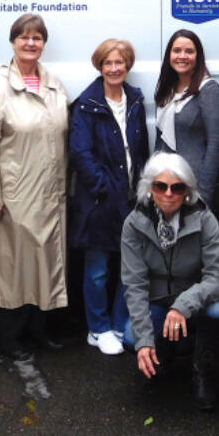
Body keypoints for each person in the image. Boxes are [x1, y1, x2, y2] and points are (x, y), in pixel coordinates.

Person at [0, 13, 70, 361]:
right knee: (10, 267)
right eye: (24, 37)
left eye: (38, 38)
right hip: (11, 194)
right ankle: (10, 337)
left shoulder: (55, 85)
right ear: (13, 42)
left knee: (44, 265)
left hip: (48, 194)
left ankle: (38, 331)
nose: (31, 43)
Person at [120, 152, 219, 410]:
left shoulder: (205, 220)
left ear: (187, 191)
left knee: (217, 309)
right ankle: (163, 351)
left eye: (177, 187)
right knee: (130, 337)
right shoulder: (134, 224)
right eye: (160, 186)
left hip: (194, 297)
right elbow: (134, 285)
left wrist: (183, 304)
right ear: (149, 188)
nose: (168, 193)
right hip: (156, 299)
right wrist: (145, 341)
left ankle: (202, 371)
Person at [70, 39, 150, 356]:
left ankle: (118, 323)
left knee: (128, 267)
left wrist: (142, 186)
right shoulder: (87, 104)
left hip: (131, 196)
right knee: (98, 268)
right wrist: (104, 187)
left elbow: (140, 148)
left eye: (120, 62)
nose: (114, 68)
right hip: (100, 200)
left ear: (127, 65)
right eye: (108, 63)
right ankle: (98, 328)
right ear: (99, 66)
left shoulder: (135, 99)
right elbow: (81, 153)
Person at [153, 30, 219, 209]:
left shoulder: (209, 90)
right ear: (169, 55)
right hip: (168, 187)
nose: (182, 56)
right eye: (177, 50)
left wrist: (204, 194)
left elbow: (216, 145)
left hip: (195, 187)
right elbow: (160, 140)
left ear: (198, 56)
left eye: (189, 51)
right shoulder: (167, 90)